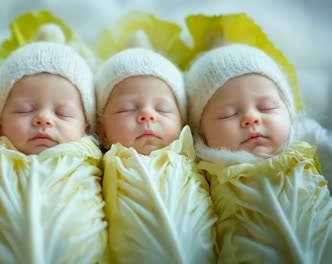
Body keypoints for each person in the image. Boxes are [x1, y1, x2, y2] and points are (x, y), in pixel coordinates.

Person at [0, 24, 107, 263]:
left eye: (62, 113)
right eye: (24, 110)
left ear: (86, 127)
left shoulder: (100, 162)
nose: (44, 118)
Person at [185, 43, 332, 263]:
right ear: (201, 133)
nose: (251, 118)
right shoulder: (203, 171)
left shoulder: (308, 141)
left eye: (266, 107)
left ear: (289, 113)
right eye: (229, 114)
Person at [94, 31, 216, 263]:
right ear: (102, 130)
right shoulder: (98, 168)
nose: (147, 115)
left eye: (162, 109)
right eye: (127, 108)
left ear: (183, 122)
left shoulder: (201, 162)